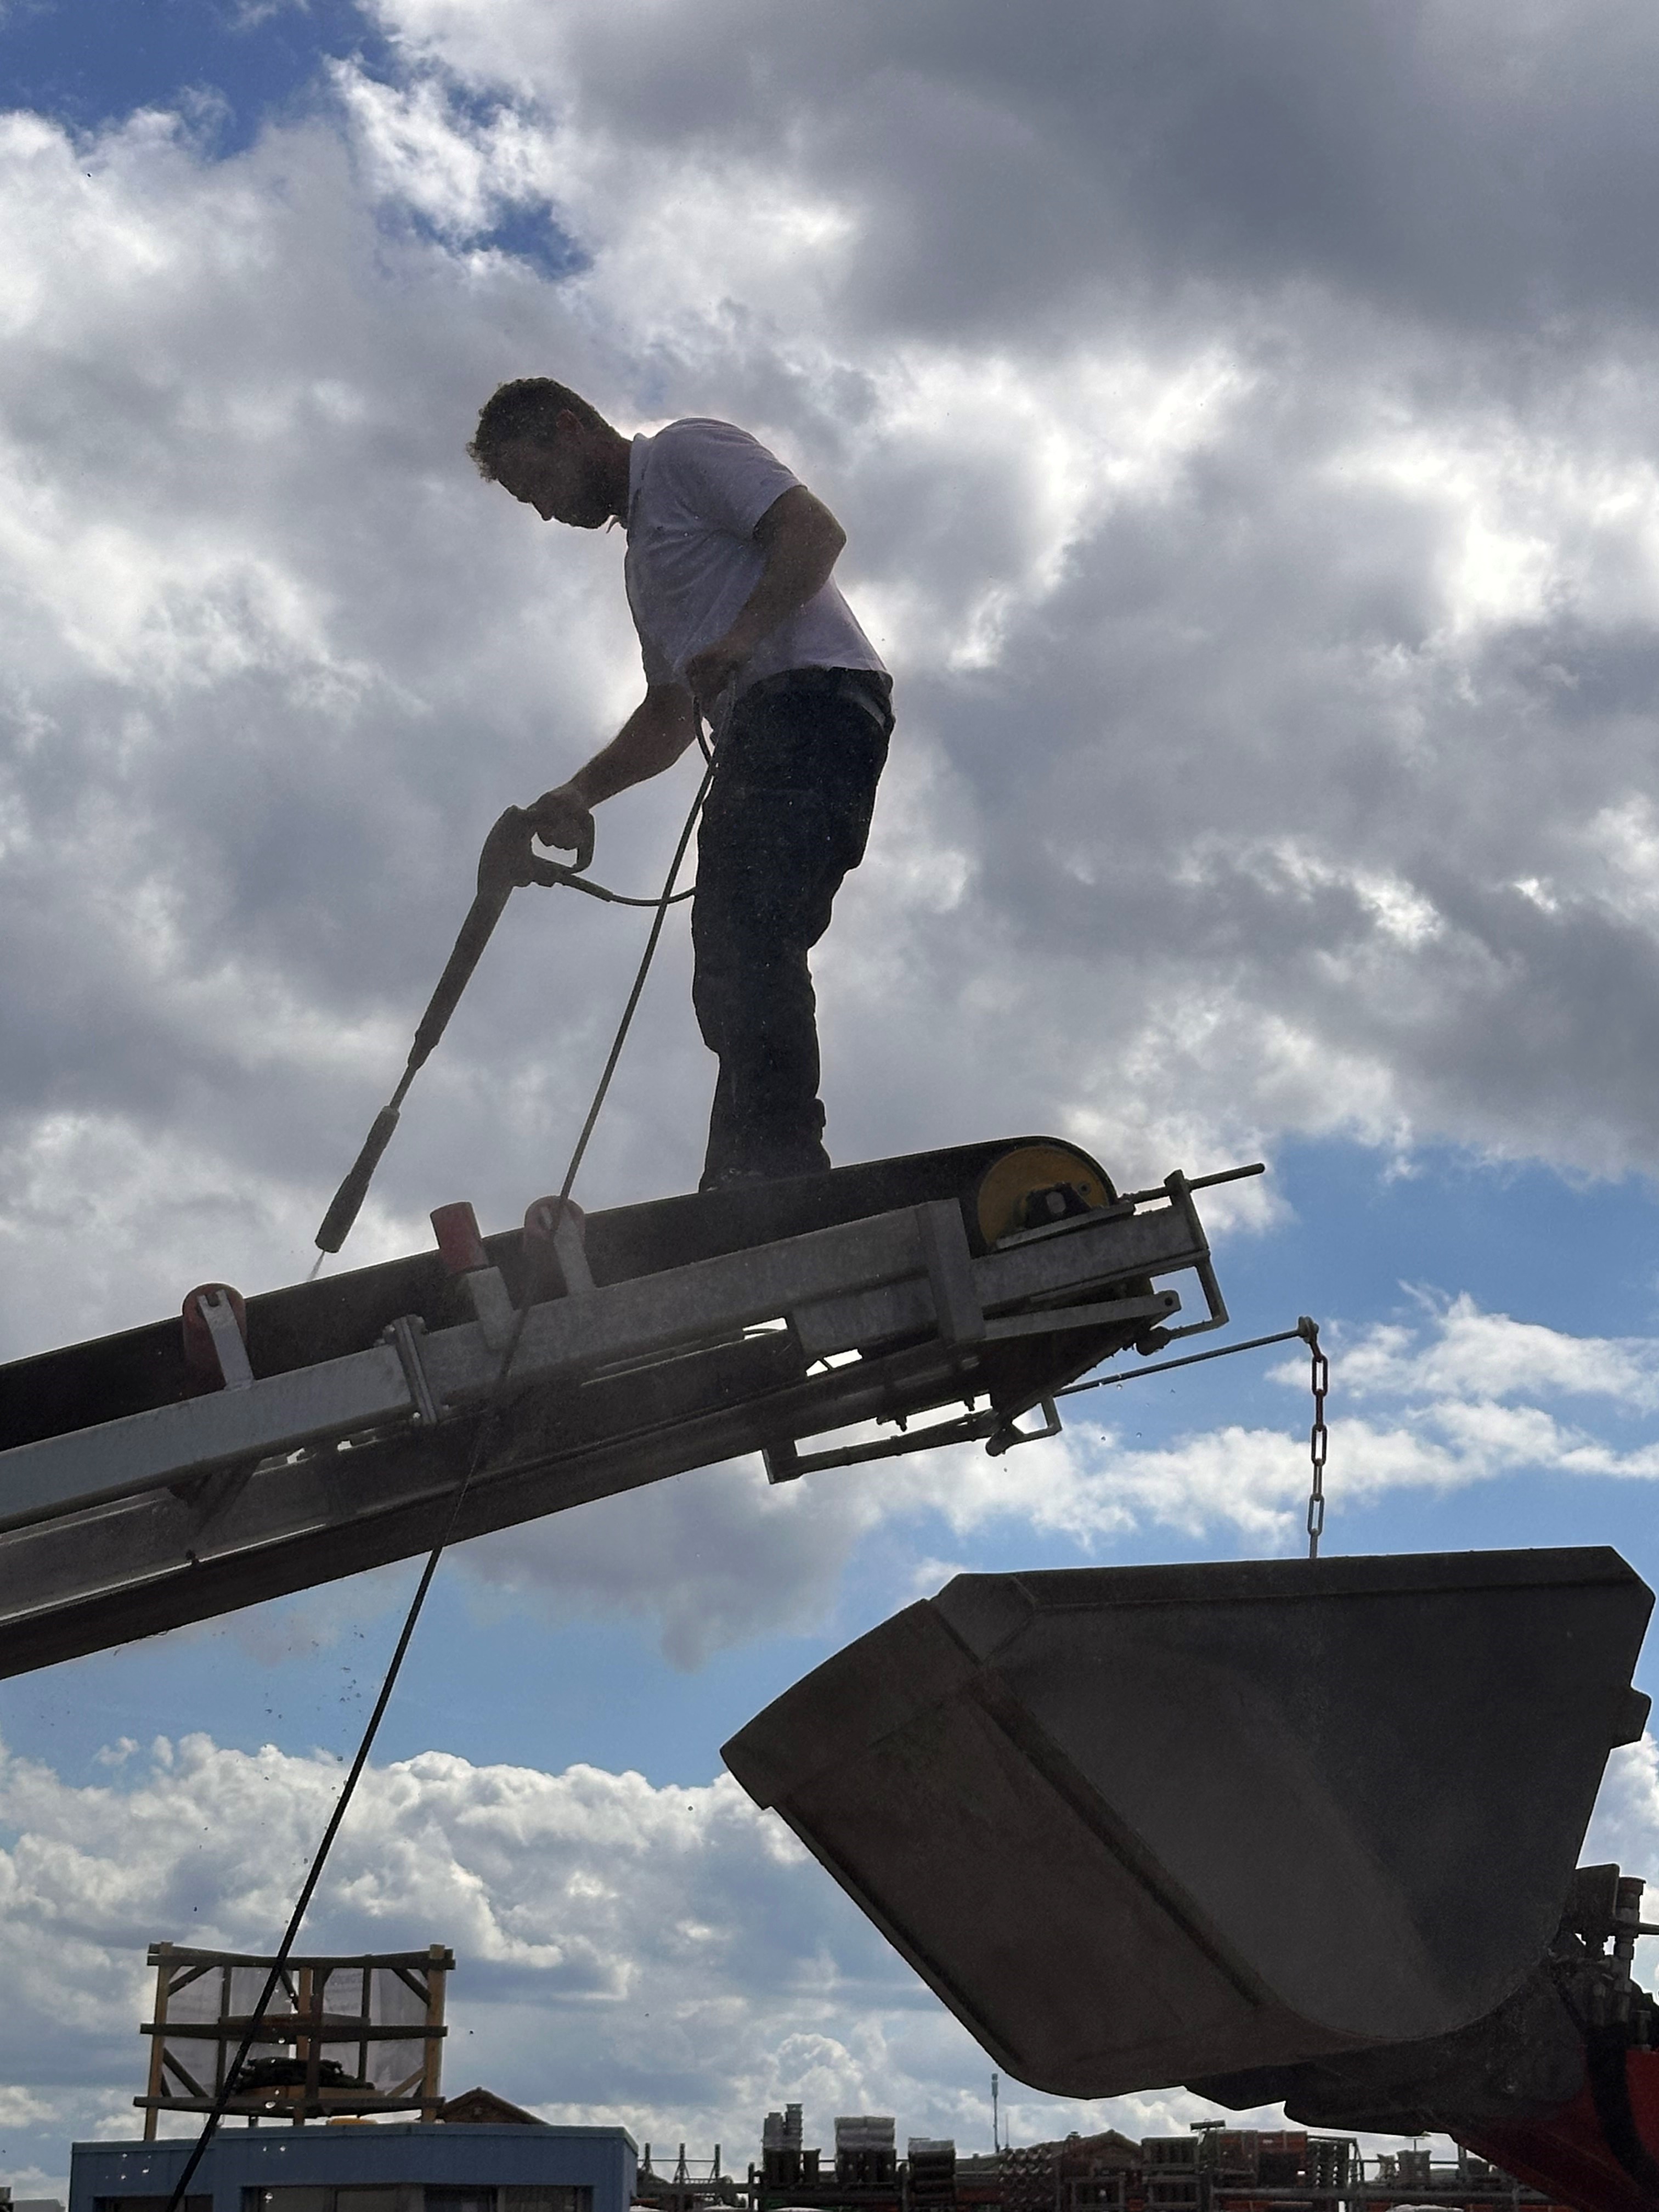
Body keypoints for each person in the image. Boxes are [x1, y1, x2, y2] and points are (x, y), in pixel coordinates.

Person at [467, 379, 893, 1190]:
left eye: (538, 484)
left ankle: (777, 1165)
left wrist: (740, 638)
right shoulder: (644, 568)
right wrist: (578, 793)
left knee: (750, 936)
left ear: (571, 428)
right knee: (732, 953)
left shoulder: (686, 453)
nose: (547, 513)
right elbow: (669, 714)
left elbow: (813, 531)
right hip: (766, 732)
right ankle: (742, 1170)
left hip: (815, 703)